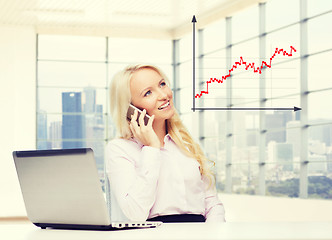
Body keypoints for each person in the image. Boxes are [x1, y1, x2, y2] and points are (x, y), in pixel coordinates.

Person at [105, 64, 225, 223]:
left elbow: (212, 204)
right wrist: (151, 149)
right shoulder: (120, 149)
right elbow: (135, 213)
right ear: (130, 109)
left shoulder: (186, 144)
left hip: (201, 232)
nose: (163, 95)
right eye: (148, 93)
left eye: (162, 84)